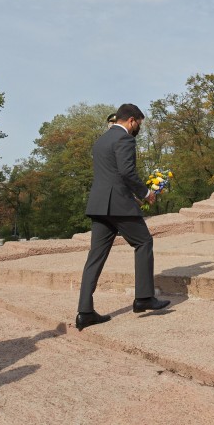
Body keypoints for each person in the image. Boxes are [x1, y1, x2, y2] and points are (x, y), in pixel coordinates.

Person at [76, 103, 170, 330]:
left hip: (99, 205)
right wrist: (146, 193)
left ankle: (85, 311)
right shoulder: (126, 139)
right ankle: (144, 298)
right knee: (144, 242)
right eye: (139, 124)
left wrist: (131, 194)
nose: (138, 128)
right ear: (131, 120)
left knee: (95, 257)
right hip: (118, 206)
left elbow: (112, 175)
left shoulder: (101, 141)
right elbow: (127, 172)